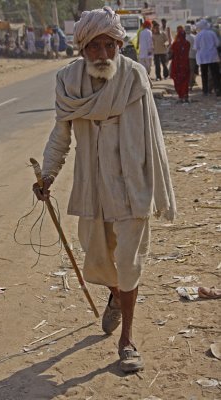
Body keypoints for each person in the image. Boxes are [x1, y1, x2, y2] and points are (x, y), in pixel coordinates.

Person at [33, 6, 176, 374]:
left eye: (109, 45)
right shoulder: (69, 82)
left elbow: (152, 134)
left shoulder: (134, 76)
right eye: (94, 47)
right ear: (82, 49)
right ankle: (115, 294)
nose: (102, 55)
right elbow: (61, 134)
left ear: (119, 44)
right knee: (98, 257)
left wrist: (156, 184)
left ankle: (127, 339)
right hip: (93, 186)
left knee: (130, 262)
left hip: (134, 186)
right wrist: (48, 174)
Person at [194, 19, 221, 97]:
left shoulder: (198, 35)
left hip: (203, 58)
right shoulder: (212, 33)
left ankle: (205, 91)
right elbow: (217, 44)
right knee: (215, 74)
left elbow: (196, 47)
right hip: (213, 56)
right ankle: (217, 90)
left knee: (204, 74)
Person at [170, 27, 190, 103]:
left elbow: (171, 53)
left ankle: (181, 96)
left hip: (177, 65)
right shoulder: (187, 43)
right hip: (185, 64)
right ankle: (185, 95)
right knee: (185, 80)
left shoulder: (175, 44)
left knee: (177, 80)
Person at [185, 24, 197, 91]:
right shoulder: (194, 37)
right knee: (191, 71)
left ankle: (185, 84)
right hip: (192, 56)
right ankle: (190, 85)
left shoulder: (183, 37)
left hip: (184, 57)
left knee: (185, 71)